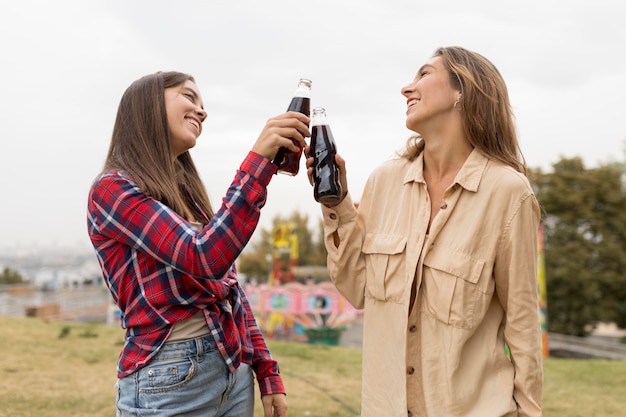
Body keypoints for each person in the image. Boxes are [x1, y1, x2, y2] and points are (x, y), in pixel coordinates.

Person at [307, 46, 543, 416]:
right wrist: (336, 205)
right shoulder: (384, 181)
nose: (407, 88)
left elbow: (524, 325)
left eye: (423, 75)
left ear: (461, 90)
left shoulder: (508, 194)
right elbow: (356, 288)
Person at [87, 71, 310, 417]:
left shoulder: (187, 191)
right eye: (189, 97)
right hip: (169, 377)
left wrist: (266, 370)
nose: (201, 111)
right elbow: (204, 256)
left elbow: (228, 289)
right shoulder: (112, 189)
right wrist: (259, 161)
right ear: (146, 105)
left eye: (203, 104)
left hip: (232, 370)